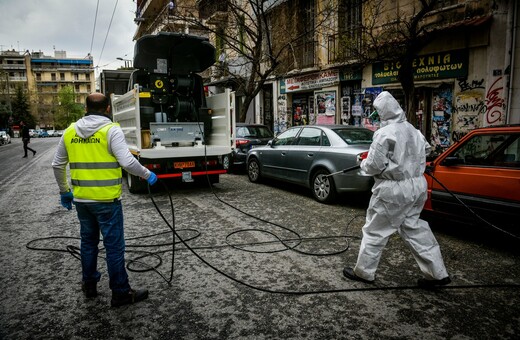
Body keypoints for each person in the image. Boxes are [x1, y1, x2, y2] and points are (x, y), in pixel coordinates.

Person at [52, 93, 158, 307]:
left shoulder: (70, 131)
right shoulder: (111, 130)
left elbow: (57, 164)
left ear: (86, 108)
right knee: (114, 247)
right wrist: (147, 174)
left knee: (88, 243)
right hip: (108, 202)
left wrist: (65, 191)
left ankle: (89, 285)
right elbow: (127, 161)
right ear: (108, 109)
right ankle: (120, 293)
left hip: (82, 201)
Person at [343, 91, 451, 288]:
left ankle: (364, 273)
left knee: (375, 230)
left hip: (393, 189)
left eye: (376, 111)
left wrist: (363, 163)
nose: (375, 115)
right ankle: (437, 274)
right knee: (414, 227)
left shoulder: (384, 133)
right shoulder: (413, 130)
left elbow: (375, 166)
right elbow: (425, 150)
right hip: (417, 185)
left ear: (383, 111)